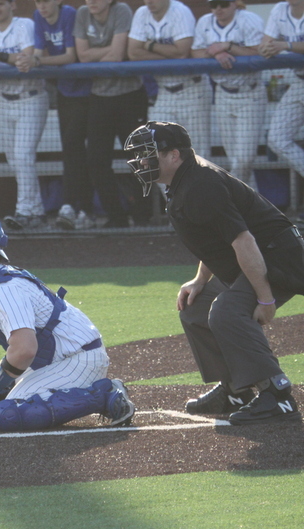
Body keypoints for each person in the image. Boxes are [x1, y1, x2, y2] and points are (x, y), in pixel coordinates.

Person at [124, 121, 303, 424]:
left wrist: (265, 299)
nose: (142, 162)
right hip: (261, 254)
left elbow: (243, 240)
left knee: (226, 312)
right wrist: (200, 280)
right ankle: (235, 388)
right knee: (196, 306)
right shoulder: (186, 179)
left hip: (278, 258)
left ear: (174, 155)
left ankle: (276, 394)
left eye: (149, 154)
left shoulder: (199, 186)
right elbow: (218, 241)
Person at [0, 213, 136, 431]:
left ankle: (105, 395)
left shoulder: (5, 289)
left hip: (77, 360)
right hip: (58, 357)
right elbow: (22, 350)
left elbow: (24, 350)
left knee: (8, 413)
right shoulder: (0, 281)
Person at [0, 0, 48, 233]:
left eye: (1, 3)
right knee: (15, 159)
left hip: (30, 96)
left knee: (23, 155)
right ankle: (37, 211)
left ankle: (24, 211)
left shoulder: (24, 24)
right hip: (5, 99)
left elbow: (25, 58)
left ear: (12, 5)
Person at [74, 0, 150, 228]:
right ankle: (116, 216)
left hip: (130, 95)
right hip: (99, 97)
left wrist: (95, 54)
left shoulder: (122, 10)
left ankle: (142, 215)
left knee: (141, 158)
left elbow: (118, 55)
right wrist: (106, 53)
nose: (92, 2)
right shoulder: (82, 14)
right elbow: (82, 56)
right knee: (96, 160)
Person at [24, 0, 95, 231]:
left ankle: (82, 207)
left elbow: (70, 56)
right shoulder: (38, 16)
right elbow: (36, 50)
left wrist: (38, 61)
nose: (42, 6)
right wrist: (31, 59)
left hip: (89, 90)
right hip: (65, 90)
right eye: (38, 1)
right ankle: (72, 206)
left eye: (46, 1)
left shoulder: (70, 14)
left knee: (84, 148)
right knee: (70, 147)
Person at [191, 0, 265, 190]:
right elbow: (195, 51)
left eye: (223, 4)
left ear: (235, 3)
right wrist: (216, 53)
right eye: (213, 5)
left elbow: (259, 51)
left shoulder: (249, 19)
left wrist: (227, 46)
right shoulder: (205, 22)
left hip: (250, 93)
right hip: (223, 94)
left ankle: (230, 200)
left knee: (244, 160)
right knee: (236, 160)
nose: (218, 9)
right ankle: (253, 211)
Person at [128, 0, 210, 158]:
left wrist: (149, 45)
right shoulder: (142, 13)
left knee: (197, 155)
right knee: (156, 152)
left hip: (192, 89)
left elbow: (182, 53)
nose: (149, 1)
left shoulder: (180, 11)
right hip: (164, 91)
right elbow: (133, 53)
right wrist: (167, 52)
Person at [261, 0, 304, 225]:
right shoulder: (279, 9)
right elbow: (265, 43)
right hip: (298, 81)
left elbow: (282, 44)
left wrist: (285, 45)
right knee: (276, 138)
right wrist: (267, 48)